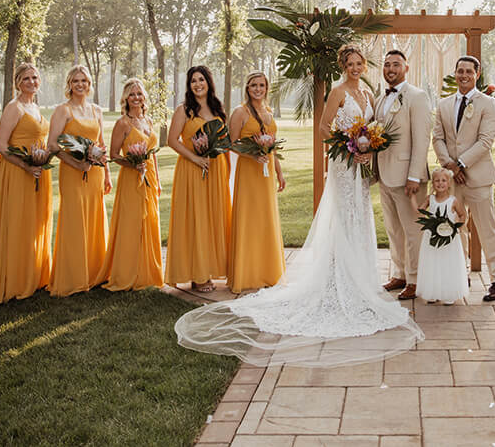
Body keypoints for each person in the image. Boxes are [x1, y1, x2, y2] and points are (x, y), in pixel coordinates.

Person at [174, 45, 423, 367]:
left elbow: (372, 132)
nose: (355, 68)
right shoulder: (337, 92)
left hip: (360, 168)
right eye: (350, 64)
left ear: (364, 66)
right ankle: (337, 283)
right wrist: (348, 147)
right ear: (343, 66)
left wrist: (367, 150)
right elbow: (324, 128)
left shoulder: (368, 94)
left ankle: (360, 280)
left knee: (359, 219)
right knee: (343, 220)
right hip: (343, 165)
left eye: (359, 63)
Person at [432, 55, 495, 301]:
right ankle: (458, 275)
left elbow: (485, 140)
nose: (464, 75)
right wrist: (450, 166)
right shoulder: (443, 105)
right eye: (460, 71)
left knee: (487, 230)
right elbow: (438, 138)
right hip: (453, 179)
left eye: (469, 71)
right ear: (455, 73)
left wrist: (461, 164)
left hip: (479, 176)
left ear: (477, 73)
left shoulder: (487, 103)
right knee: (455, 228)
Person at [0, 63, 54, 303]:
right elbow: (0, 144)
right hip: (17, 171)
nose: (32, 82)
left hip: (38, 171)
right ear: (17, 82)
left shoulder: (35, 106)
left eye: (35, 77)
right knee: (18, 222)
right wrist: (25, 165)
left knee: (35, 222)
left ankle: (34, 275)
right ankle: (14, 280)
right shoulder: (13, 108)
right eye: (26, 78)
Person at [165, 65, 232, 293]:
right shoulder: (184, 110)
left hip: (216, 170)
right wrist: (195, 158)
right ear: (189, 85)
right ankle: (197, 275)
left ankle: (211, 269)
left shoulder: (217, 109)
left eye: (201, 80)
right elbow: (172, 141)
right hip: (192, 170)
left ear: (208, 82)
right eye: (193, 81)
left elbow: (225, 141)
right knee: (196, 219)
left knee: (213, 219)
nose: (197, 84)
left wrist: (226, 170)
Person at [47, 65, 111, 297]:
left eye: (84, 80)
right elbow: (52, 145)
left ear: (89, 84)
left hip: (94, 173)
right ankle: (73, 277)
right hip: (72, 173)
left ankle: (94, 274)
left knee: (94, 219)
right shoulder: (63, 110)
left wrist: (106, 174)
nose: (80, 84)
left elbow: (101, 143)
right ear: (69, 85)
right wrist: (77, 164)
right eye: (76, 81)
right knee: (75, 221)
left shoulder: (96, 110)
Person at [375, 49, 431, 301]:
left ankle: (416, 278)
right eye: (387, 65)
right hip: (384, 175)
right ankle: (399, 273)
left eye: (396, 64)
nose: (391, 69)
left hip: (408, 177)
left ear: (406, 68)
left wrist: (415, 176)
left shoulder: (417, 96)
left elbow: (422, 139)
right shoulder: (380, 98)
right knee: (393, 229)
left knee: (413, 230)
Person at [100, 78, 164, 291]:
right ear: (126, 97)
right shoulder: (123, 123)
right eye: (132, 94)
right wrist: (132, 165)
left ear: (144, 96)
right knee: (131, 222)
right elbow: (114, 154)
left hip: (150, 176)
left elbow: (152, 154)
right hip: (131, 177)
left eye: (139, 94)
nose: (136, 98)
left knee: (150, 221)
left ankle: (147, 272)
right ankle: (126, 273)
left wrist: (158, 181)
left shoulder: (149, 121)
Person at [227, 71, 286, 294]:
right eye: (253, 85)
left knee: (265, 219)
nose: (258, 89)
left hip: (267, 172)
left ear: (266, 88)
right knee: (249, 218)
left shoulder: (268, 113)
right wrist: (252, 156)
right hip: (249, 172)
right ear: (247, 88)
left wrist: (279, 172)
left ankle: (267, 272)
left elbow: (272, 148)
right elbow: (230, 143)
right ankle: (247, 273)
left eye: (261, 85)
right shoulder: (240, 112)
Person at [416, 167, 468, 305]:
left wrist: (457, 228)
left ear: (449, 183)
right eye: (437, 180)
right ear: (432, 183)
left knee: (447, 264)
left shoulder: (453, 200)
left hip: (449, 239)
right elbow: (420, 211)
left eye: (444, 180)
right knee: (433, 263)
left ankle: (448, 292)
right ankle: (433, 292)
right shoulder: (430, 199)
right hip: (432, 238)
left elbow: (463, 214)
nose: (440, 183)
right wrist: (412, 199)